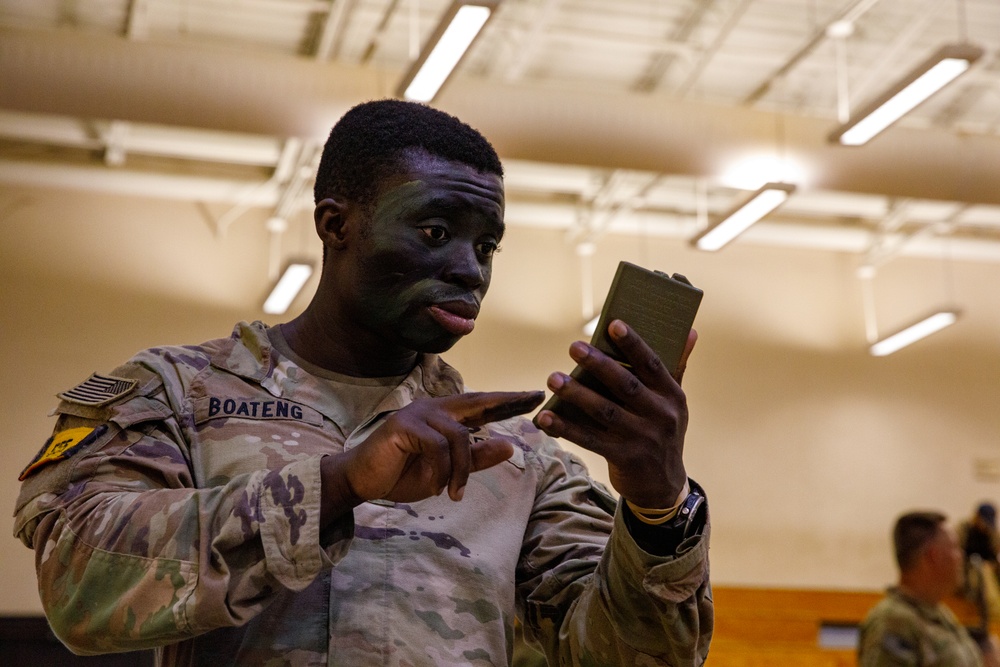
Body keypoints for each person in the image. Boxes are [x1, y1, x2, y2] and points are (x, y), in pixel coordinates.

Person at [13, 99, 712, 666]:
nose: (472, 269)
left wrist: (657, 507)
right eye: (437, 230)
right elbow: (78, 583)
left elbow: (631, 656)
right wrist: (339, 483)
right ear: (335, 225)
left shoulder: (517, 456)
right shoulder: (174, 393)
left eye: (487, 245)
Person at [858, 511, 1000, 667]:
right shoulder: (892, 622)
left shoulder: (940, 614)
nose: (961, 557)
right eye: (955, 548)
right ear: (934, 556)